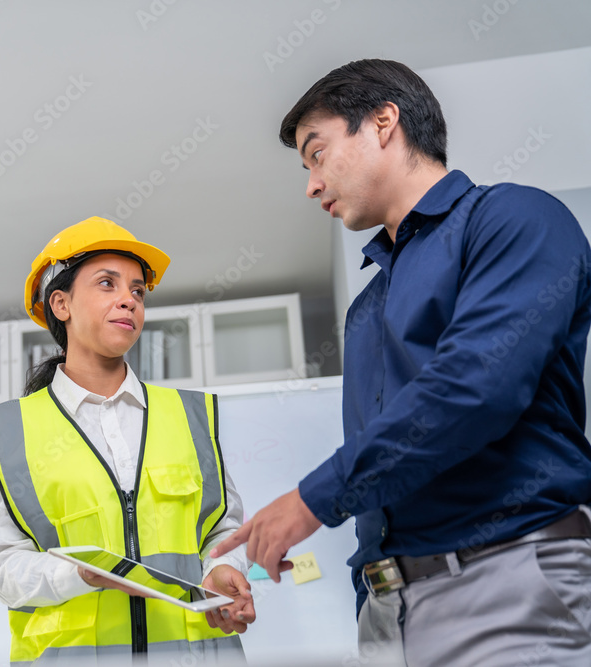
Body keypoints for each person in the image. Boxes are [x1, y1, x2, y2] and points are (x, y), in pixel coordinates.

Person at [212, 58, 591, 665]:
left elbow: (475, 389)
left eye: (317, 153)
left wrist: (313, 499)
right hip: (386, 610)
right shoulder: (367, 307)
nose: (310, 184)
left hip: (508, 578)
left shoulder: (512, 219)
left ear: (383, 122)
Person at [0, 217, 255, 664]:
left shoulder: (190, 415)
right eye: (107, 284)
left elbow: (224, 528)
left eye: (138, 291)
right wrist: (80, 574)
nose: (129, 300)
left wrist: (224, 568)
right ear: (60, 304)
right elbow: (0, 566)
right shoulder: (9, 431)